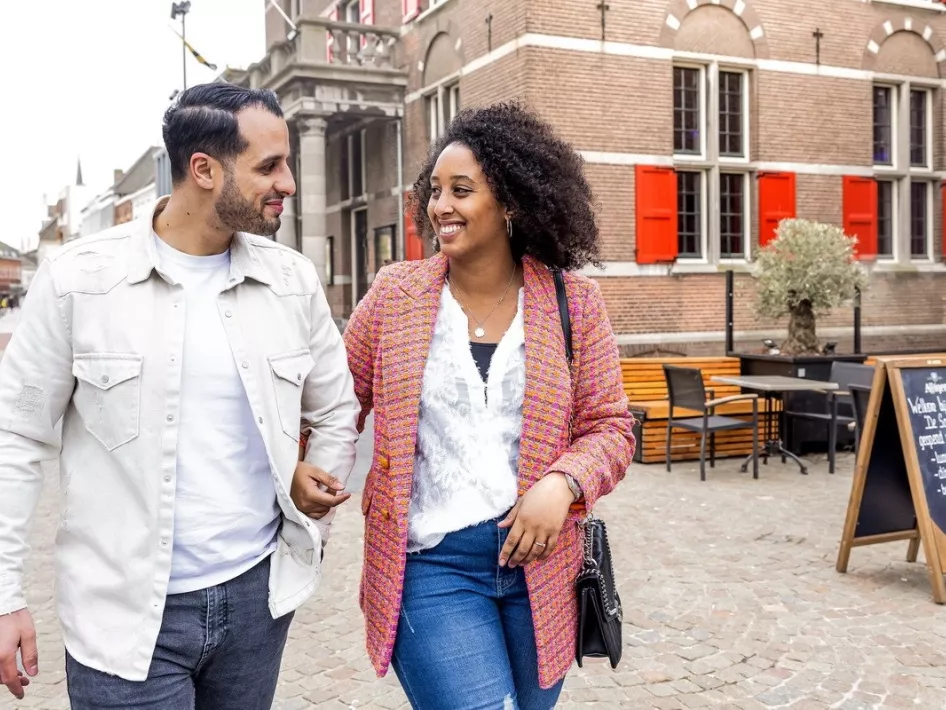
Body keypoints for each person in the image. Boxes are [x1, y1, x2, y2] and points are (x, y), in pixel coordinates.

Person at [0, 83, 359, 709]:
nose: (289, 184)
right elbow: (16, 439)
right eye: (269, 166)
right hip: (124, 616)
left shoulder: (291, 281)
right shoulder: (79, 283)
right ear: (203, 169)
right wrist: (4, 596)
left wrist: (315, 485)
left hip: (257, 604)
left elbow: (335, 408)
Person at [344, 103, 636, 709]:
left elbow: (610, 427)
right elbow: (334, 400)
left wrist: (563, 482)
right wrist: (304, 463)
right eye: (435, 191)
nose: (439, 206)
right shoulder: (395, 296)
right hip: (432, 566)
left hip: (543, 572)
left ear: (509, 204)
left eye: (461, 190)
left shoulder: (571, 302)